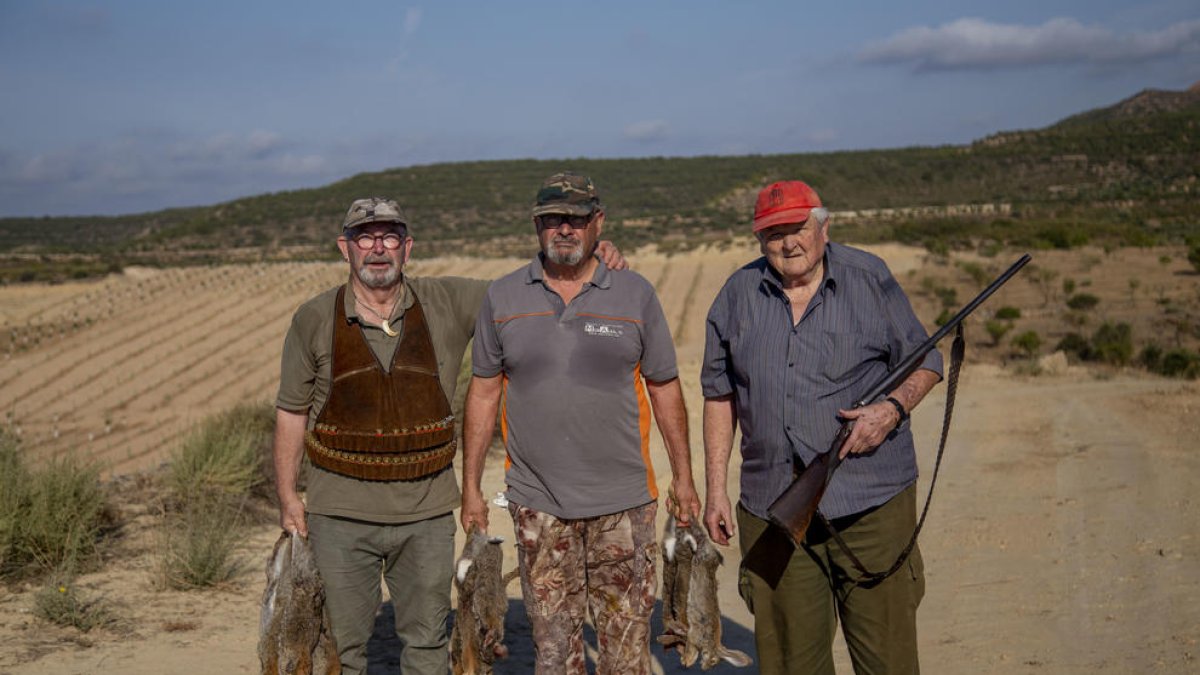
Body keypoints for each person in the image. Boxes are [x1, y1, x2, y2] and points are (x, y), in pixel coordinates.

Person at [272, 196, 625, 675]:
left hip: (428, 515)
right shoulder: (314, 318)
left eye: (390, 236)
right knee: (340, 650)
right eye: (365, 237)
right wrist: (288, 494)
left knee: (428, 646)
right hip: (338, 515)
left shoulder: (448, 300)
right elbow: (291, 411)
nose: (378, 248)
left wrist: (588, 255)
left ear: (407, 247)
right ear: (346, 247)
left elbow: (526, 291)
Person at [460, 172, 700, 675]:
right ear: (536, 226)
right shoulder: (503, 298)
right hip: (539, 506)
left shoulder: (635, 294)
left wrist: (685, 477)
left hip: (626, 507)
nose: (563, 229)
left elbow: (664, 388)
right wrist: (470, 488)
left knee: (626, 656)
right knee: (553, 655)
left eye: (575, 219)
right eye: (552, 220)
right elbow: (483, 393)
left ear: (598, 223)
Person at [700, 180, 943, 675]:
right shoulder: (736, 295)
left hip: (871, 505)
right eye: (773, 234)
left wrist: (891, 410)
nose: (788, 243)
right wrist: (715, 491)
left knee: (888, 661)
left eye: (798, 228)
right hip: (773, 509)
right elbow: (718, 395)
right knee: (791, 663)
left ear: (824, 226)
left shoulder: (868, 277)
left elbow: (927, 360)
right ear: (757, 239)